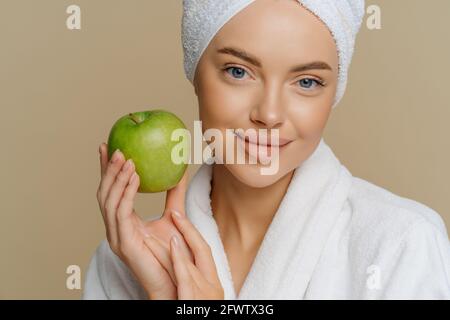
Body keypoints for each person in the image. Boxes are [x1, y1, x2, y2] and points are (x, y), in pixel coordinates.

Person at [83, 0, 450, 299]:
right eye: (238, 72)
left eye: (307, 81)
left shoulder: (403, 245)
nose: (269, 115)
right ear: (195, 71)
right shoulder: (124, 262)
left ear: (334, 92)